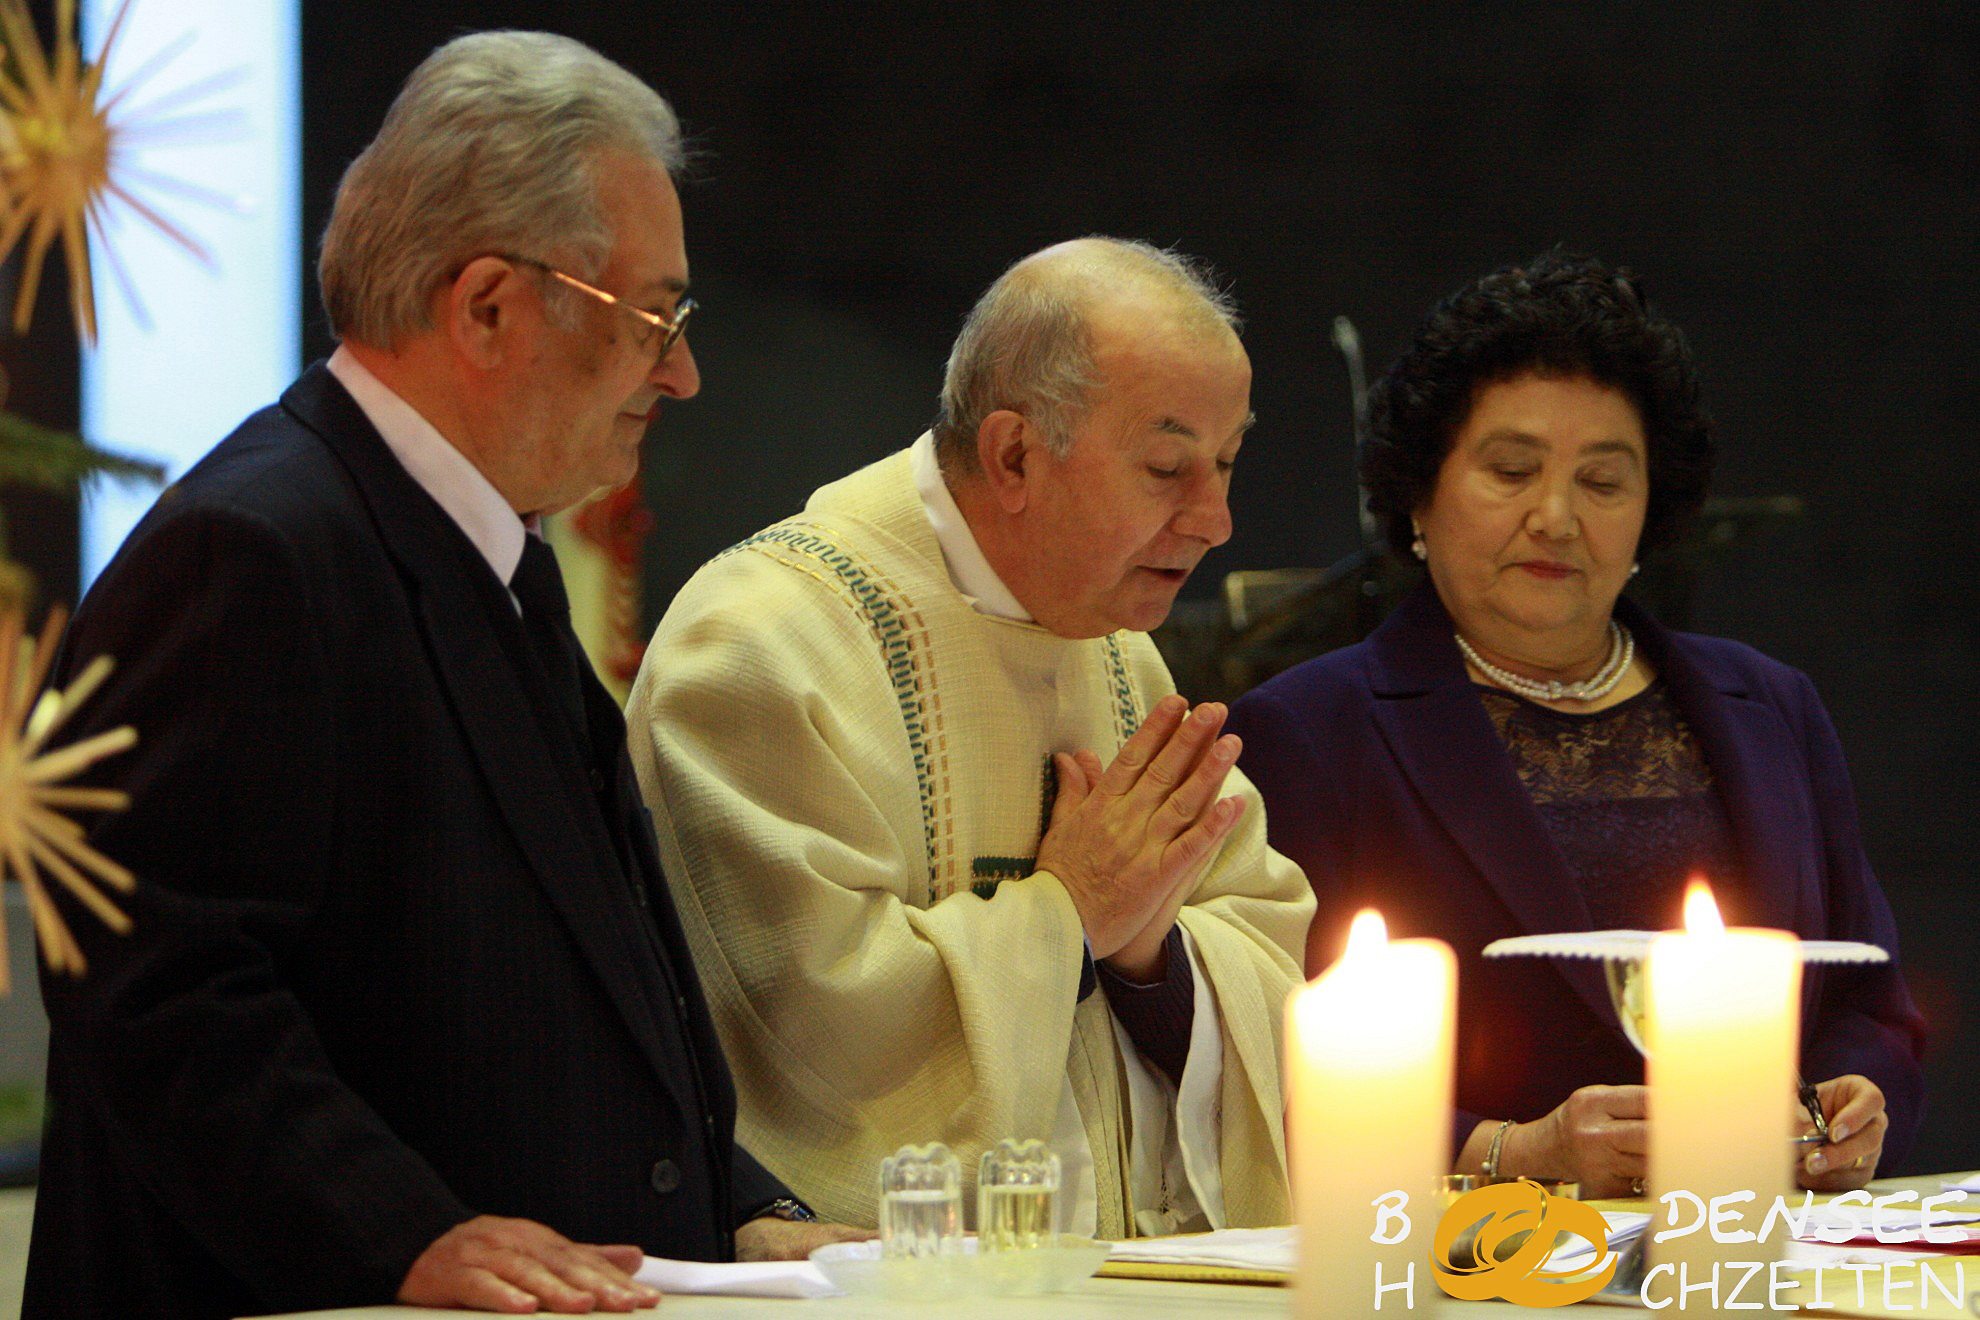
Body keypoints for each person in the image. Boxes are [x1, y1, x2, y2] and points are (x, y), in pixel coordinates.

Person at [25, 32, 860, 1320]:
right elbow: (160, 993)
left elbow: (577, 981)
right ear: (486, 308)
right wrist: (404, 1234)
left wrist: (738, 1205)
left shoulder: (479, 551)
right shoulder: (249, 552)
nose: (682, 372)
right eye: (657, 317)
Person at [628, 238, 1313, 1236]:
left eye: (1226, 464)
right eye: (1168, 467)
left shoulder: (1122, 652)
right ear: (1014, 456)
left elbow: (1258, 936)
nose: (1216, 519)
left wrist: (1149, 952)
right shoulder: (759, 648)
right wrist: (1069, 913)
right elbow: (809, 1033)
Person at [1226, 250, 1925, 1198]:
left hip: (1755, 1247)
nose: (1555, 517)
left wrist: (1858, 1099)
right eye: (1511, 471)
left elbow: (1870, 1002)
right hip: (1477, 1267)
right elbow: (1258, 1064)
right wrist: (1513, 1154)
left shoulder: (1770, 706)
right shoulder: (1308, 730)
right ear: (1420, 495)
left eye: (1603, 483)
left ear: (1650, 512)